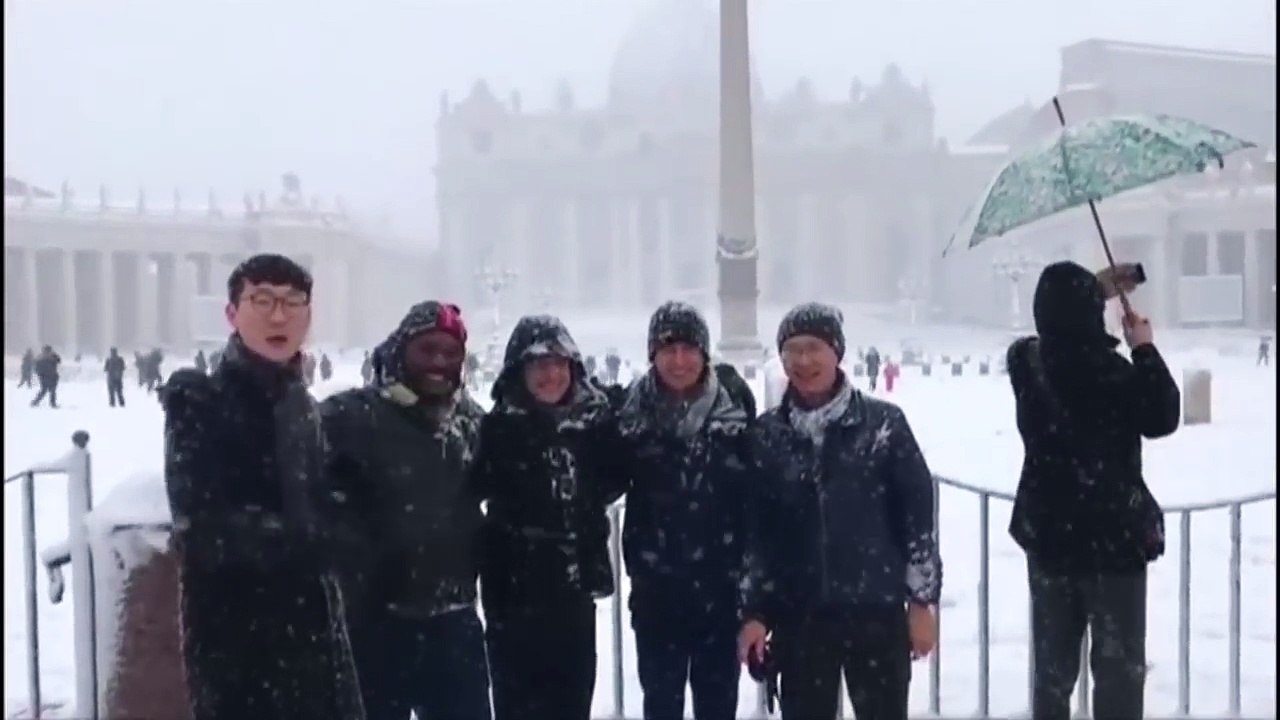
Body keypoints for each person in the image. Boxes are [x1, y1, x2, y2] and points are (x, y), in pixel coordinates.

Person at [161, 253, 363, 720]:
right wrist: (304, 540)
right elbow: (201, 525)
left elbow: (317, 504)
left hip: (316, 639)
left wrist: (345, 517)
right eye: (263, 300)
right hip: (241, 643)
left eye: (293, 303)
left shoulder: (301, 404)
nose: (278, 316)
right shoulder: (201, 400)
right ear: (232, 313)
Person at [738, 302, 941, 720]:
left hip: (876, 610)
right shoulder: (767, 435)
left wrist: (921, 602)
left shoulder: (883, 425)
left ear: (837, 353)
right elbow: (757, 534)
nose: (803, 361)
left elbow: (917, 518)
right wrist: (754, 612)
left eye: (814, 348)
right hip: (800, 616)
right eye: (792, 350)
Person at [1006, 261, 1180, 720]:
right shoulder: (1116, 374)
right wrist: (1143, 347)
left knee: (1053, 674)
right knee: (1118, 672)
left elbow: (1041, 333)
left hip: (1050, 539)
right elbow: (1164, 416)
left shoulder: (1027, 365)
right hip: (1113, 540)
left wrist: (1091, 292)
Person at [322, 300, 492, 720]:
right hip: (376, 624)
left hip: (454, 622)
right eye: (427, 349)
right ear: (401, 352)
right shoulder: (350, 416)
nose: (439, 362)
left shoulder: (470, 421)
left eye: (451, 352)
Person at [473, 315, 626, 720]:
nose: (550, 375)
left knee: (571, 701)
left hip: (573, 593)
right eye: (539, 365)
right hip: (515, 596)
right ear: (519, 371)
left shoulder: (595, 426)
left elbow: (616, 478)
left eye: (558, 364)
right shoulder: (498, 429)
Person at [617, 302, 755, 720]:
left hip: (721, 589)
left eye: (688, 349)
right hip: (656, 591)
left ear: (704, 354)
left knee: (718, 704)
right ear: (652, 355)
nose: (678, 361)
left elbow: (754, 496)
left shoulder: (734, 408)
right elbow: (604, 478)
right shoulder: (631, 413)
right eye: (668, 350)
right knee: (661, 703)